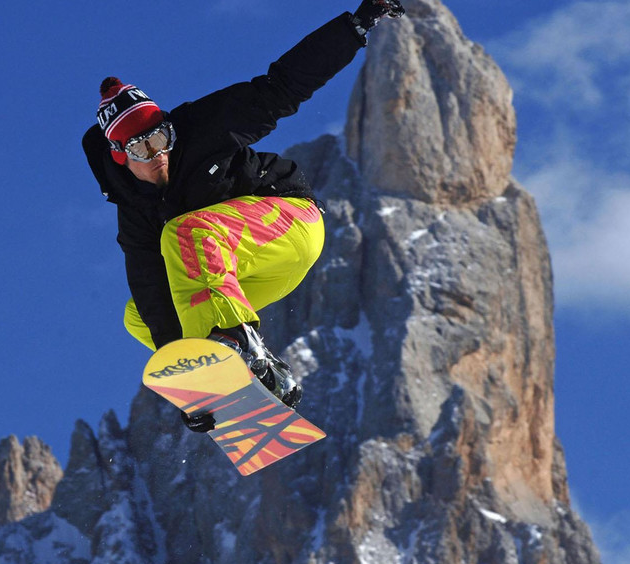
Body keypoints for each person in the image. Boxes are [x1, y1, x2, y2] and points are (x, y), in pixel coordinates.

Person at [82, 1, 405, 432]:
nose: (159, 154)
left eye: (161, 137)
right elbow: (150, 288)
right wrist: (195, 383)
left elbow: (282, 86)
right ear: (122, 158)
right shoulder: (134, 211)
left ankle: (235, 340)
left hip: (289, 223)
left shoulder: (203, 127)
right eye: (141, 149)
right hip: (241, 270)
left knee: (186, 231)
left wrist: (356, 25)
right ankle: (254, 368)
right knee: (139, 312)